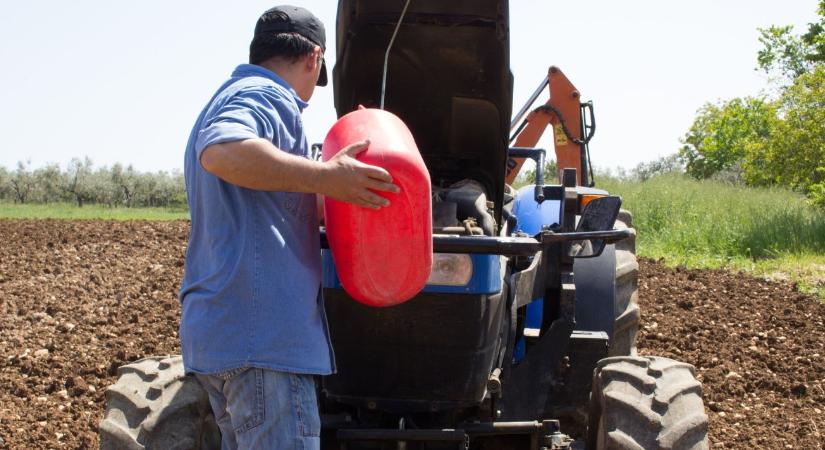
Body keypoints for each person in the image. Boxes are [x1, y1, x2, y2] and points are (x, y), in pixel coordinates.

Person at [179, 5, 399, 449]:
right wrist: (325, 177)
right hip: (265, 343)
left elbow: (268, 204)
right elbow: (222, 150)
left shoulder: (226, 95)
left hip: (223, 335)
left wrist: (327, 191)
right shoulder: (267, 95)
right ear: (313, 58)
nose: (309, 94)